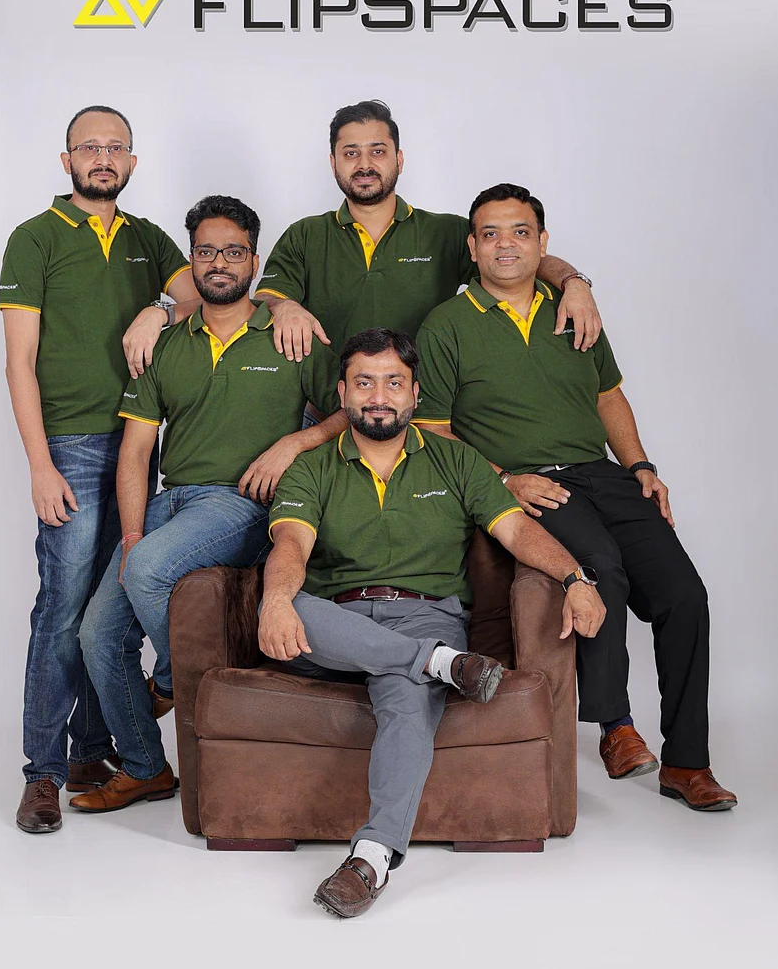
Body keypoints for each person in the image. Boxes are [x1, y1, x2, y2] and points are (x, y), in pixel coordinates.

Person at [259, 328, 606, 918]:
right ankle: (439, 665)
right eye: (364, 382)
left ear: (415, 394)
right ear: (342, 393)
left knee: (404, 696)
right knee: (293, 604)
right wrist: (273, 598)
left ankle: (370, 857)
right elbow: (291, 546)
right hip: (335, 617)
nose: (379, 396)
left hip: (426, 613)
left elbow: (516, 531)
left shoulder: (456, 459)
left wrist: (576, 578)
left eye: (394, 383)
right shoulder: (312, 468)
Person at [414, 182, 736, 811]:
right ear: (472, 248)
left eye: (520, 232)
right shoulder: (447, 325)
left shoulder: (573, 310)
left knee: (684, 596)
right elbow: (434, 430)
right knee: (599, 570)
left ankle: (688, 764)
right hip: (529, 480)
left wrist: (640, 464)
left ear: (542, 242)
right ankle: (616, 727)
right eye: (490, 234)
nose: (506, 245)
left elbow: (607, 395)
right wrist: (500, 480)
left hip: (602, 472)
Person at [70, 195, 346, 814]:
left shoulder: (290, 333)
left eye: (233, 250)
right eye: (205, 251)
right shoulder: (166, 343)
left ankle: (168, 678)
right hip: (173, 501)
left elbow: (348, 411)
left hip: (242, 505)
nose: (219, 262)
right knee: (96, 633)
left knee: (145, 571)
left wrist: (293, 443)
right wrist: (135, 531)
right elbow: (137, 451)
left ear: (254, 257)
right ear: (192, 258)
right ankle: (145, 767)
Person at [0, 105, 200, 835]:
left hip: (139, 445)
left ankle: (91, 752)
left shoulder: (146, 238)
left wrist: (155, 307)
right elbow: (19, 361)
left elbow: (194, 288)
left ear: (133, 162)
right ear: (66, 160)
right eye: (90, 146)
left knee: (106, 609)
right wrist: (40, 464)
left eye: (116, 147)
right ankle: (43, 773)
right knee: (61, 609)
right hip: (74, 447)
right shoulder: (36, 238)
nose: (103, 156)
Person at [251, 99, 603, 367]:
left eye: (378, 151)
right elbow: (267, 296)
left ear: (399, 160)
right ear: (333, 163)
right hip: (324, 413)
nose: (364, 165)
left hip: (424, 413)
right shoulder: (304, 235)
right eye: (350, 153)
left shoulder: (446, 231)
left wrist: (574, 282)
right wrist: (284, 306)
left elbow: (514, 257)